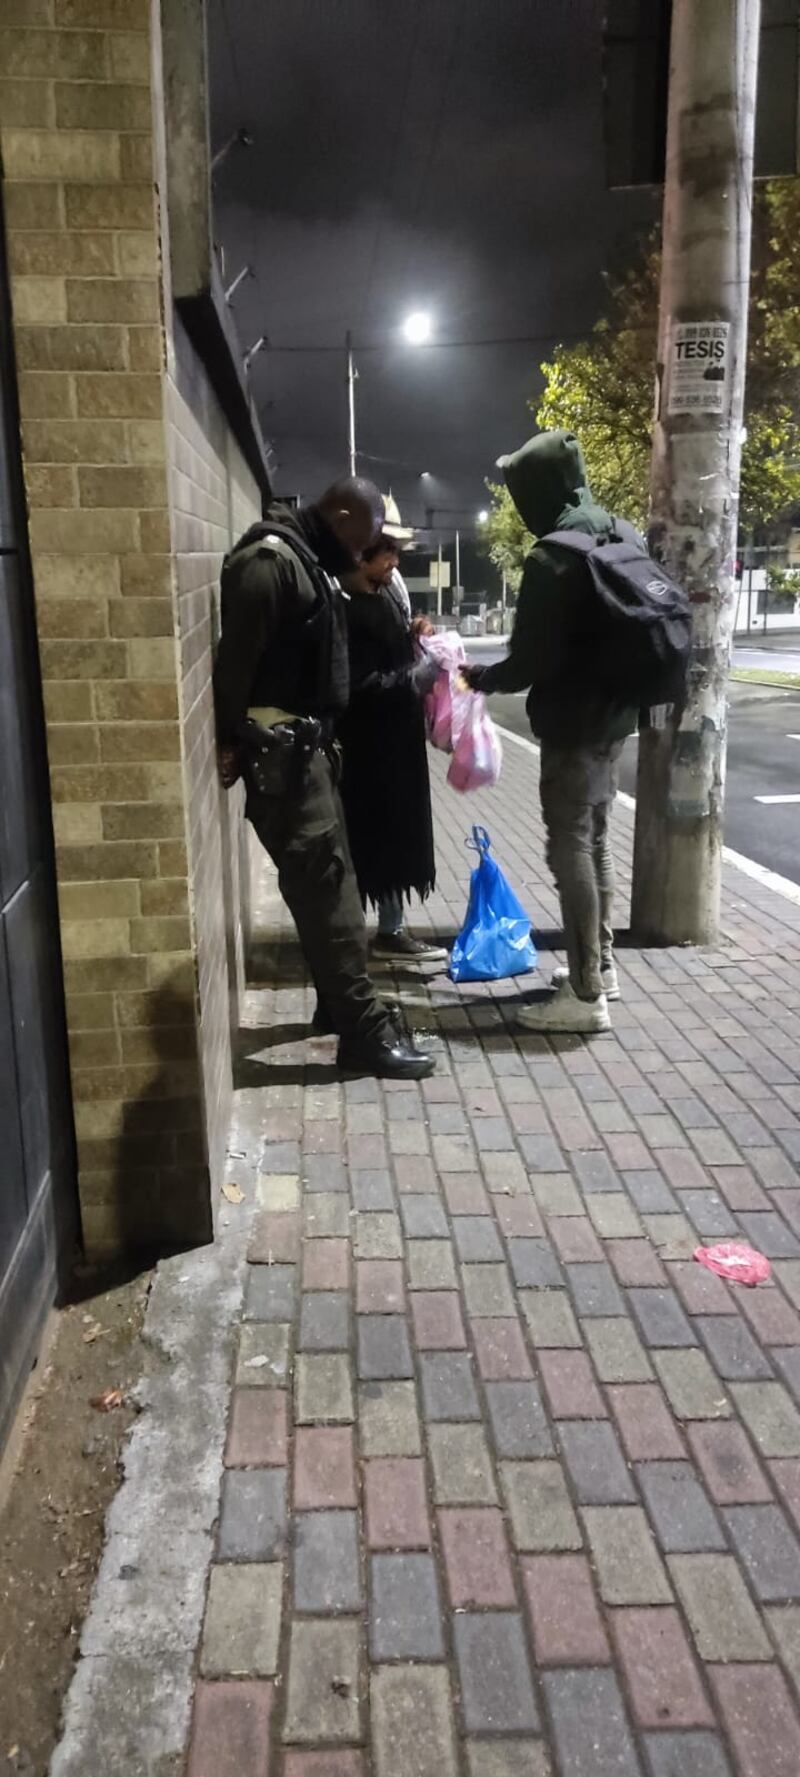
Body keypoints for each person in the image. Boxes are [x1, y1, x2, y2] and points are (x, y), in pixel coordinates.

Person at [213, 476, 435, 1080]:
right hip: (283, 761)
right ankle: (360, 1032)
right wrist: (231, 739)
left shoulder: (304, 561)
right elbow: (235, 666)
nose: (363, 554)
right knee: (328, 896)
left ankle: (341, 1010)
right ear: (338, 515)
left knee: (332, 891)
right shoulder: (269, 562)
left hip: (307, 754)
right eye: (362, 540)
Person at [464, 430, 639, 1035]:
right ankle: (602, 966)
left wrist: (480, 679)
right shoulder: (623, 531)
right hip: (617, 719)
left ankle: (587, 995)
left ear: (539, 490)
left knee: (571, 852)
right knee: (595, 840)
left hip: (572, 726)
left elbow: (529, 660)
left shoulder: (551, 557)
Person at [338, 522, 448, 965]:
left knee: (395, 835)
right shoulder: (346, 606)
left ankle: (390, 926)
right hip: (372, 748)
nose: (395, 564)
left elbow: (389, 648)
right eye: (387, 556)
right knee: (377, 839)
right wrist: (413, 680)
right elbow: (358, 684)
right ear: (361, 557)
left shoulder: (380, 593)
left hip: (395, 742)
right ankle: (381, 932)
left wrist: (413, 632)